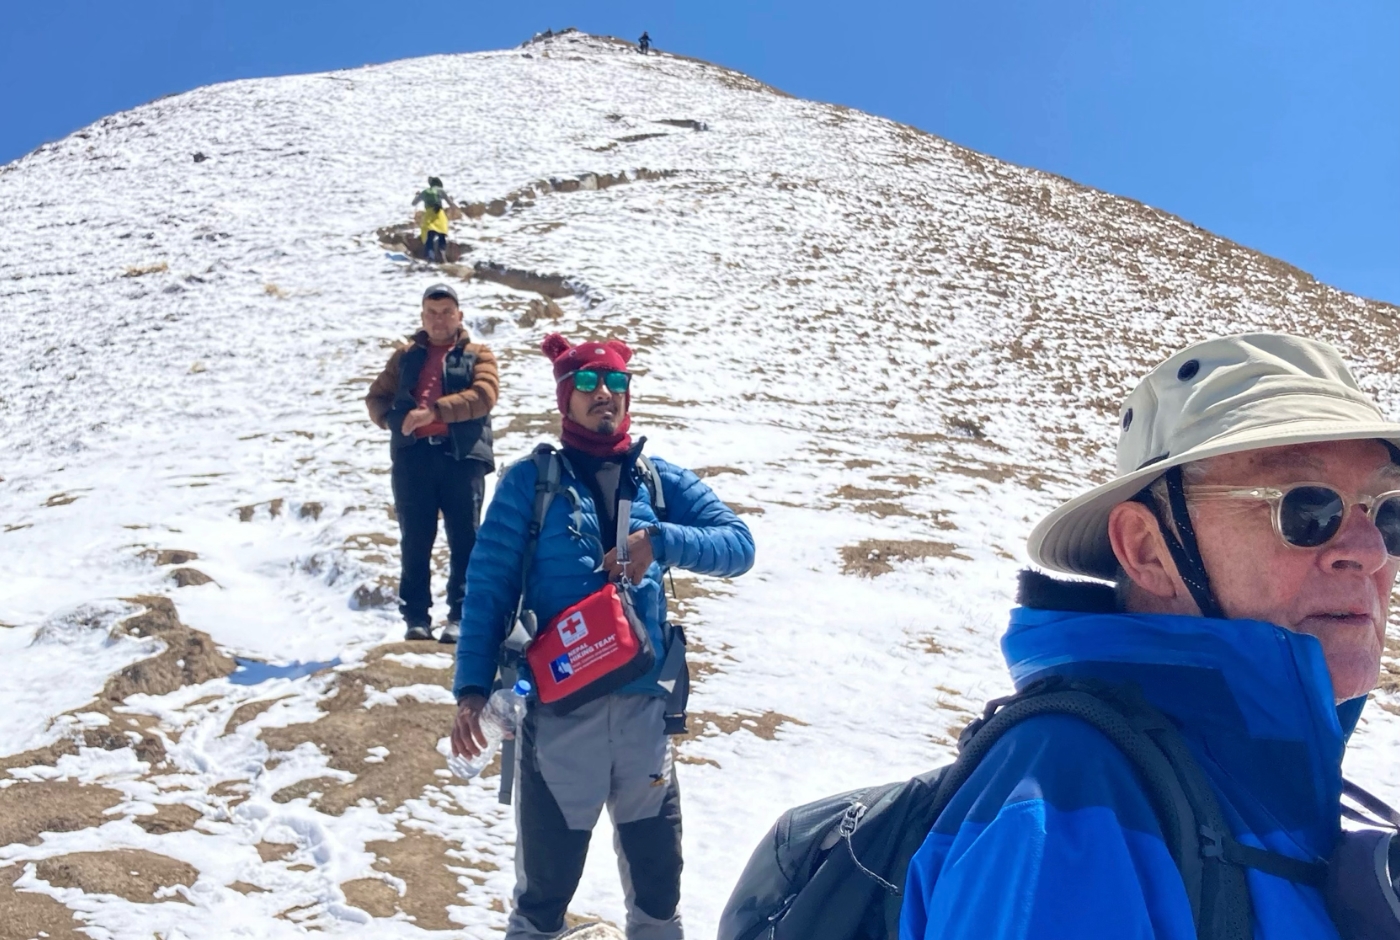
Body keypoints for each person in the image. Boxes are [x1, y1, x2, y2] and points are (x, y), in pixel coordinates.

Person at [899, 333, 1400, 939]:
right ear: (1146, 550)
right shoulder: (1067, 799)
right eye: (1307, 509)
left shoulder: (1258, 779)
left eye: (1388, 512)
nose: (1370, 552)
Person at [451, 333, 755, 940]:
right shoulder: (529, 485)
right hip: (561, 716)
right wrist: (471, 689)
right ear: (566, 398)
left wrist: (663, 541)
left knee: (658, 886)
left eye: (615, 383)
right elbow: (486, 592)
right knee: (544, 892)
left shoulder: (656, 480)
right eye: (587, 385)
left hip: (646, 715)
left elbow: (739, 545)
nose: (604, 396)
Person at [366, 283, 498, 642]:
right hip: (414, 458)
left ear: (459, 316)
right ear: (423, 317)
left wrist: (434, 412)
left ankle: (460, 617)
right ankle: (416, 618)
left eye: (446, 312)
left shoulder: (478, 354)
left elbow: (484, 395)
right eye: (432, 313)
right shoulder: (405, 357)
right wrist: (394, 421)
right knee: (415, 539)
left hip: (462, 457)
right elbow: (376, 397)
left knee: (465, 538)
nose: (439, 320)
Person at [412, 176, 458, 263]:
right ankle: (442, 253)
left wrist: (417, 196)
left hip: (429, 215)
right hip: (439, 214)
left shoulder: (425, 192)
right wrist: (452, 202)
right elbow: (451, 205)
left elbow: (414, 203)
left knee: (429, 236)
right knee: (442, 234)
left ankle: (430, 255)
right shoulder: (440, 191)